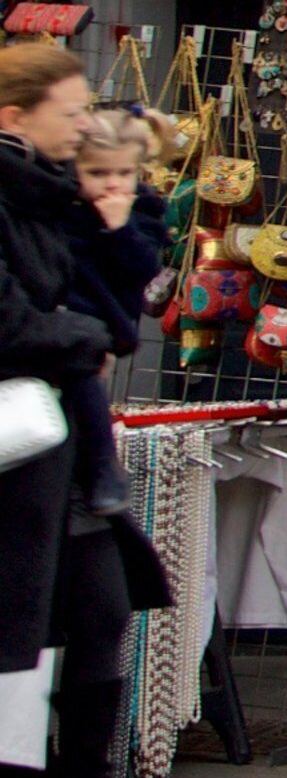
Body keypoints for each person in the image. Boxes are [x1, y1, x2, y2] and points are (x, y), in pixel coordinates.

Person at [0, 43, 173, 778]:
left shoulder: (55, 199)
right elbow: (11, 325)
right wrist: (86, 339)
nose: (84, 124)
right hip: (13, 453)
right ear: (14, 118)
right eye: (69, 111)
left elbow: (123, 307)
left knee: (103, 614)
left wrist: (119, 222)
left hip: (66, 449)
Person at [57, 110, 163, 518]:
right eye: (98, 172)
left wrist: (119, 229)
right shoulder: (64, 209)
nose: (113, 183)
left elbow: (144, 267)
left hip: (106, 320)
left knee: (86, 388)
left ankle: (104, 469)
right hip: (69, 312)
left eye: (124, 172)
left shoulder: (141, 213)